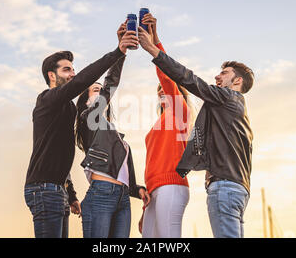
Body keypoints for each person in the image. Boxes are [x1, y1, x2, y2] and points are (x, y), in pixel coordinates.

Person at [138, 25, 254, 238]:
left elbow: (187, 79)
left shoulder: (225, 98)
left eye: (224, 73)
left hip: (224, 188)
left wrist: (154, 48)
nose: (217, 77)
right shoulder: (237, 112)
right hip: (237, 188)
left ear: (237, 81)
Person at [24, 22, 137, 238]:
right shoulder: (46, 100)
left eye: (74, 69)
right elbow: (82, 82)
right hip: (43, 189)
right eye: (67, 69)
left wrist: (71, 193)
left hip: (57, 191)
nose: (73, 74)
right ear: (51, 75)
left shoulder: (69, 110)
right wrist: (117, 51)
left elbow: (59, 153)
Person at [75, 23, 150, 238]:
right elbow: (111, 85)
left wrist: (137, 189)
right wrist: (121, 51)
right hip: (101, 195)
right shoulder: (88, 118)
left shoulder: (111, 132)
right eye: (96, 90)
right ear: (86, 100)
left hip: (122, 198)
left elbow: (123, 169)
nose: (101, 94)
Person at [138, 13, 191, 238]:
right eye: (158, 90)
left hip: (171, 185)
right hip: (153, 190)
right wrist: (147, 197)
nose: (161, 91)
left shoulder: (181, 113)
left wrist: (154, 43)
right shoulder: (160, 121)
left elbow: (168, 78)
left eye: (164, 89)